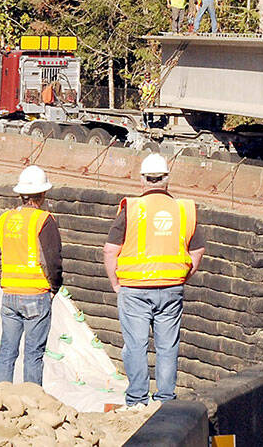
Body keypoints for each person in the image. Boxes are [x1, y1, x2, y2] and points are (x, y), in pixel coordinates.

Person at [104, 154, 206, 407]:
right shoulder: (184, 210)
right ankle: (165, 400)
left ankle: (137, 400)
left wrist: (116, 283)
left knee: (136, 346)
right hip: (172, 288)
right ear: (166, 180)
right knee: (167, 346)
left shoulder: (133, 209)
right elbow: (197, 250)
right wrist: (183, 274)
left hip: (134, 288)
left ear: (142, 180)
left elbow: (110, 249)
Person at [0, 165, 63, 385]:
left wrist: (5, 282)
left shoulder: (4, 220)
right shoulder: (43, 220)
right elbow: (52, 261)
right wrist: (54, 288)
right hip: (37, 295)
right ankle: (31, 403)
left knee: (6, 352)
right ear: (42, 194)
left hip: (10, 295)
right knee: (33, 355)